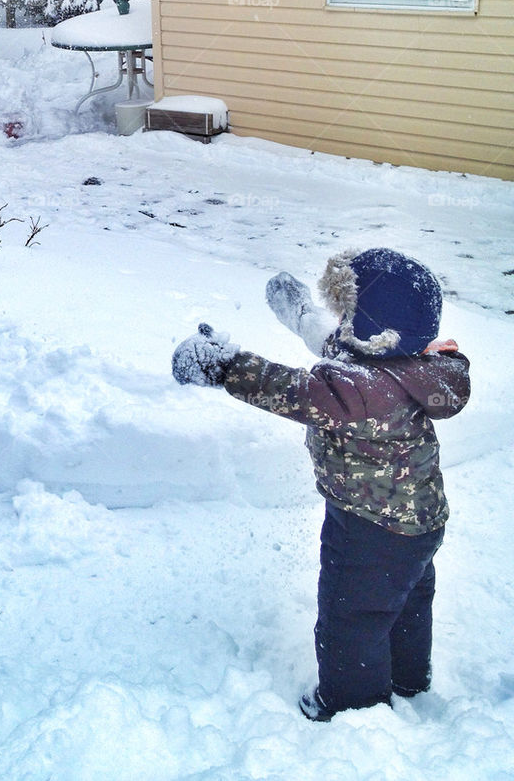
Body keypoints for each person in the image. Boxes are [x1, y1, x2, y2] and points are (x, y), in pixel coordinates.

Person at [172, 247, 470, 721]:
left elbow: (287, 388)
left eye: (346, 312)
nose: (339, 320)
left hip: (368, 526)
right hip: (420, 522)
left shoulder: (358, 388)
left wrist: (225, 365)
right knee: (408, 602)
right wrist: (300, 313)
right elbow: (338, 343)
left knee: (352, 617)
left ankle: (351, 707)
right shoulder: (415, 367)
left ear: (372, 330)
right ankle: (409, 682)